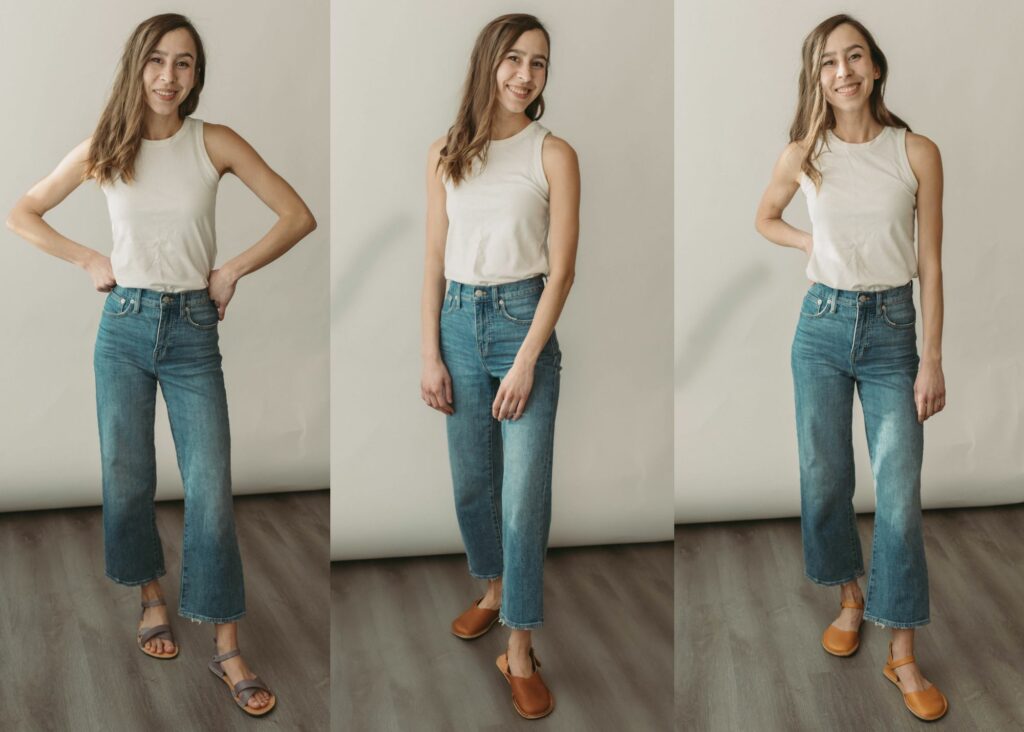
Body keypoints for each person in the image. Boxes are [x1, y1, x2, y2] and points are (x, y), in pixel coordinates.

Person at [6, 13, 316, 716]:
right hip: (124, 326)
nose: (169, 77)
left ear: (196, 76)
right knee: (128, 476)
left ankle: (228, 644)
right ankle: (151, 598)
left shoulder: (217, 143)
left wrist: (232, 269)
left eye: (184, 64)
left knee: (210, 487)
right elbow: (22, 211)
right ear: (135, 66)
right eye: (157, 61)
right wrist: (88, 257)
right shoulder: (106, 147)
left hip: (191, 331)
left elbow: (297, 215)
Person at [755, 14, 947, 722]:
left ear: (875, 66)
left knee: (898, 493)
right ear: (817, 76)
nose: (844, 71)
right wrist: (814, 242)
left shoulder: (916, 150)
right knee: (826, 475)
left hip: (896, 331)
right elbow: (764, 217)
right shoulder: (804, 153)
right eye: (829, 61)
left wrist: (931, 357)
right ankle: (848, 597)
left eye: (855, 56)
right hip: (822, 327)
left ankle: (902, 653)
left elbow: (929, 262)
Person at [419, 13, 580, 721]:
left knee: (523, 496)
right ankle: (491, 587)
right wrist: (429, 351)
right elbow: (431, 259)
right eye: (514, 59)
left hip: (525, 324)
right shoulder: (447, 152)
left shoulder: (554, 154)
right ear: (488, 63)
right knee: (472, 484)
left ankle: (518, 646)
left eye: (539, 64)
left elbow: (564, 271)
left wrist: (526, 360)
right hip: (456, 322)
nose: (524, 74)